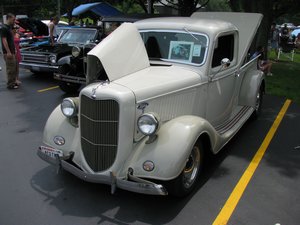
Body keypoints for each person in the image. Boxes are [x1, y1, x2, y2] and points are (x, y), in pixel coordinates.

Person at [0, 13, 18, 89]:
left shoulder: (9, 27)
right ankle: (10, 84)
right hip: (8, 52)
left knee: (14, 68)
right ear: (9, 18)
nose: (14, 21)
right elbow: (4, 40)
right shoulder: (4, 28)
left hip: (12, 51)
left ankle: (13, 82)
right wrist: (8, 52)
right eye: (13, 19)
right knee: (10, 69)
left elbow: (11, 39)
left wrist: (15, 49)